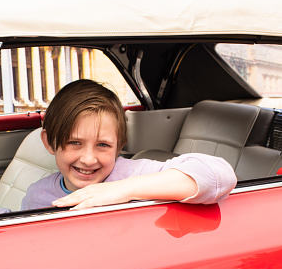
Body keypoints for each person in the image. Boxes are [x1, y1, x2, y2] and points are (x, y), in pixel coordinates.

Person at [21, 79, 237, 210]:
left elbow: (218, 174)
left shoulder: (134, 174)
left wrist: (122, 190)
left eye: (103, 145)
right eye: (75, 143)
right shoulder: (37, 195)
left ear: (119, 145)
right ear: (50, 143)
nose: (88, 159)